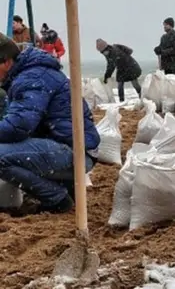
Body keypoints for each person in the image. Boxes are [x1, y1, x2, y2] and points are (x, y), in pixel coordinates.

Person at [0, 34, 100, 213]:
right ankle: (66, 188)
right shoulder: (31, 73)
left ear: (5, 62)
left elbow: (18, 126)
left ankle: (57, 199)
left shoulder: (31, 79)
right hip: (74, 147)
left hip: (74, 152)